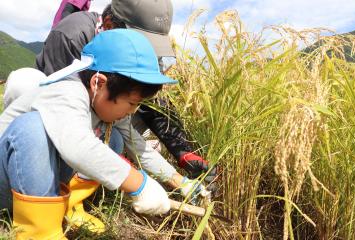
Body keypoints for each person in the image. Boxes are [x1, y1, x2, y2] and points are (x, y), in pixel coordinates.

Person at [0, 29, 178, 239]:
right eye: (131, 103)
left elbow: (137, 145)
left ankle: (69, 206)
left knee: (115, 140)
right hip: (6, 184)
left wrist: (178, 180)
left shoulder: (103, 105)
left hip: (33, 189)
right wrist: (138, 184)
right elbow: (78, 145)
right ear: (98, 83)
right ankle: (40, 233)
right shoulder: (67, 91)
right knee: (32, 128)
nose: (132, 111)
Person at [37, 0, 217, 184]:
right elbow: (63, 121)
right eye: (137, 43)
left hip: (106, 112)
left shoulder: (141, 60)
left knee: (116, 139)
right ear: (108, 25)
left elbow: (153, 103)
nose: (144, 53)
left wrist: (183, 151)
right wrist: (127, 176)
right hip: (63, 123)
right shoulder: (71, 37)